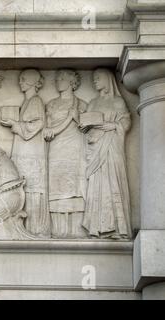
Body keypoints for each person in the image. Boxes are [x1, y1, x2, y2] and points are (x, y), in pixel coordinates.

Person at [80, 68, 131, 239]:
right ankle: (97, 226)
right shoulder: (93, 103)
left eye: (98, 78)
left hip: (111, 147)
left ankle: (116, 227)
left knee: (112, 183)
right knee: (97, 184)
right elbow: (86, 122)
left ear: (108, 79)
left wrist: (114, 126)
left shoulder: (117, 101)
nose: (95, 81)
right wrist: (85, 125)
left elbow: (126, 121)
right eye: (93, 78)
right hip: (95, 147)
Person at [0, 69, 49, 237]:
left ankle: (34, 227)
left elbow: (37, 124)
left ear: (32, 82)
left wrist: (15, 124)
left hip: (31, 150)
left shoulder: (35, 101)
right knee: (23, 184)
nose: (20, 82)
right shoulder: (29, 101)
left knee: (30, 186)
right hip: (24, 148)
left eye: (23, 79)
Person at [43, 69, 87, 238]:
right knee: (57, 186)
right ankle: (58, 230)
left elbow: (88, 129)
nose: (57, 81)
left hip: (75, 148)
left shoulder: (81, 104)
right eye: (57, 78)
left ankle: (77, 229)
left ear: (72, 82)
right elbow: (47, 130)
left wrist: (76, 117)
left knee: (75, 186)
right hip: (56, 148)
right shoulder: (52, 104)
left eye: (62, 78)